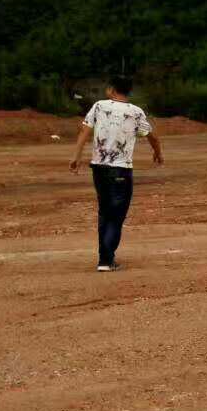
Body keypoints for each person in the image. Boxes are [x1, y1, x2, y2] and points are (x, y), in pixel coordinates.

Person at [70, 75, 164, 271]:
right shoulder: (135, 112)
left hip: (98, 168)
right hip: (121, 168)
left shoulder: (99, 106)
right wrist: (158, 153)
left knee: (104, 212)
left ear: (111, 89)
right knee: (117, 215)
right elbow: (152, 136)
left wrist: (76, 156)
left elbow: (84, 131)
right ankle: (106, 259)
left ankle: (105, 256)